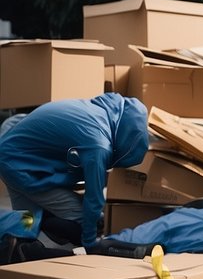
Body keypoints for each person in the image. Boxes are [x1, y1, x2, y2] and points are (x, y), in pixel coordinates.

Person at [0, 93, 149, 249]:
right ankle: (41, 230)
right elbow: (94, 198)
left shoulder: (101, 112)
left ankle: (18, 254)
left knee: (25, 220)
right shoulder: (99, 144)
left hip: (10, 151)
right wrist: (90, 243)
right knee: (82, 219)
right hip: (20, 165)